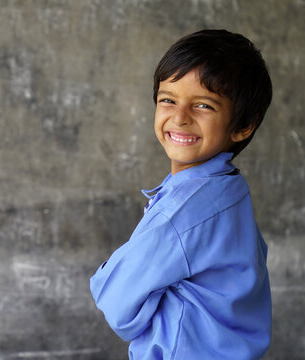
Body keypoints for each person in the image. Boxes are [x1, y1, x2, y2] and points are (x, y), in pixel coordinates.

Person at [90, 29, 273, 359]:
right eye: (168, 100)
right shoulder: (230, 188)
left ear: (243, 125)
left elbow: (117, 306)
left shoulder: (181, 213)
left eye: (203, 105)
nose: (179, 117)